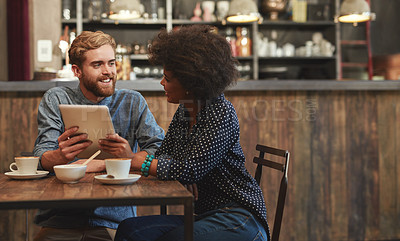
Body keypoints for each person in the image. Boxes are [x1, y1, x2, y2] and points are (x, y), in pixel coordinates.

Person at [114, 25, 269, 241]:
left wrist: (141, 161)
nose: (162, 82)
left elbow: (190, 169)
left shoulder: (220, 113)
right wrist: (179, 170)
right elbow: (167, 155)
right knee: (130, 231)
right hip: (207, 216)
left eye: (167, 78)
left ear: (190, 82)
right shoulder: (185, 110)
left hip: (239, 218)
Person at [32, 30, 165, 241]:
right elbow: (41, 156)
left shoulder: (132, 101)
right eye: (97, 65)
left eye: (111, 63)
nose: (108, 71)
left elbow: (160, 149)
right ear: (77, 70)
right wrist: (59, 157)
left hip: (115, 221)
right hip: (61, 219)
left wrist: (123, 158)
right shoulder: (56, 98)